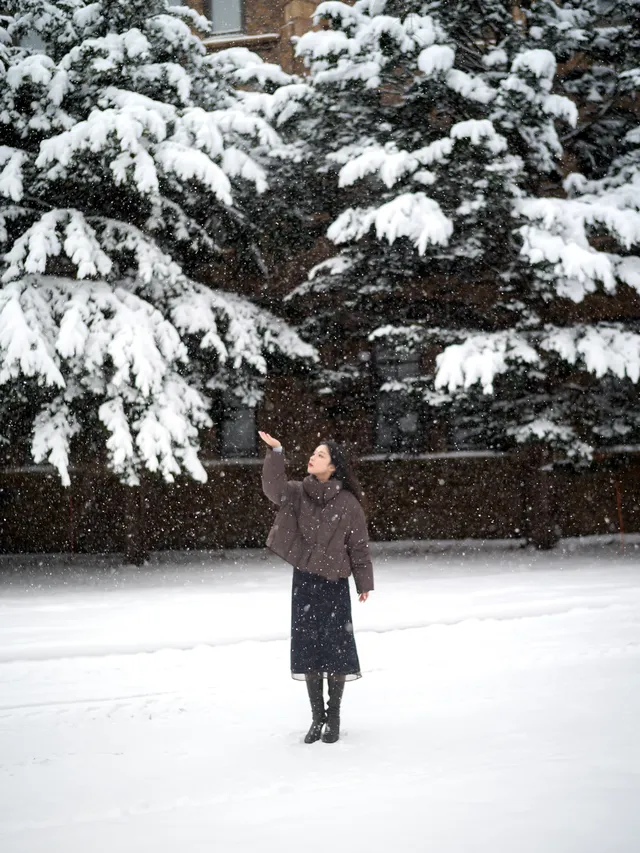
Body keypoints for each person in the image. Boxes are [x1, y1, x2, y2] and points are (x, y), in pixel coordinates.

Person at [259, 431, 374, 744]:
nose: (313, 457)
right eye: (313, 453)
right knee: (308, 648)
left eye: (321, 455)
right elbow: (273, 488)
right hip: (305, 581)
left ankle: (333, 716)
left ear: (333, 467)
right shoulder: (296, 493)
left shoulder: (349, 503)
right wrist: (276, 452)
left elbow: (359, 546)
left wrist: (364, 582)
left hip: (336, 583)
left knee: (336, 651)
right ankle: (316, 718)